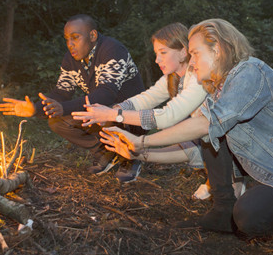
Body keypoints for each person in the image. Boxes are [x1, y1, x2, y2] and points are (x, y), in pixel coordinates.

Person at [99, 18, 273, 252]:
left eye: (195, 53)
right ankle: (223, 211)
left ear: (218, 49)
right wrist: (140, 153)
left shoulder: (250, 72)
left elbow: (204, 124)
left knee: (249, 219)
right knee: (209, 137)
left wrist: (141, 139)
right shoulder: (218, 92)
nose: (192, 63)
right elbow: (194, 147)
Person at [72, 22, 244, 200]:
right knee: (187, 141)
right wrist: (116, 109)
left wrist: (113, 115)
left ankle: (232, 178)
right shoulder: (172, 78)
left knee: (187, 131)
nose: (157, 60)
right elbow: (146, 98)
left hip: (230, 140)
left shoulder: (198, 76)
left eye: (163, 53)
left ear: (183, 51)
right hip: (204, 138)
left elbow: (168, 116)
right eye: (156, 54)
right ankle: (214, 178)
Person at [0, 14, 146, 183]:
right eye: (67, 39)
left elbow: (106, 93)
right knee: (57, 121)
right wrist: (36, 109)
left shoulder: (112, 50)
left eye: (75, 37)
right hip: (105, 112)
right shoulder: (71, 59)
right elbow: (62, 92)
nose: (70, 44)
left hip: (133, 118)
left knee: (104, 110)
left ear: (92, 36)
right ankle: (107, 153)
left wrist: (65, 107)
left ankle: (132, 157)